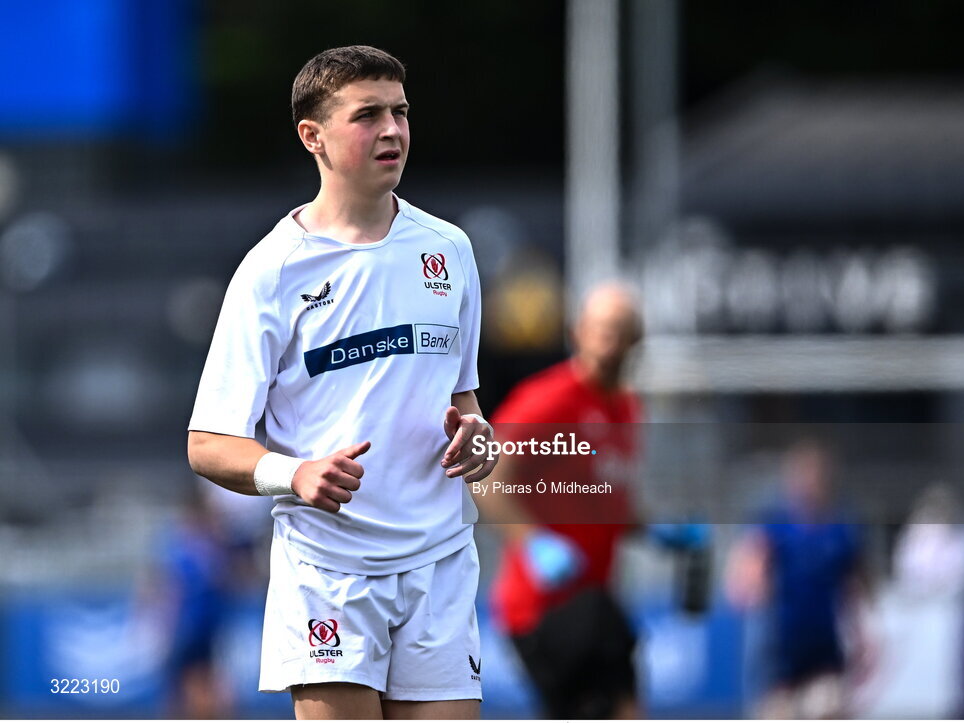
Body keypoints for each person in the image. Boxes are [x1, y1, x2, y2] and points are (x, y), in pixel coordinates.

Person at [187, 45, 497, 720]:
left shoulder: (450, 249)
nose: (392, 129)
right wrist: (294, 474)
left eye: (401, 111)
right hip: (329, 570)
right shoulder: (271, 271)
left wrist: (481, 440)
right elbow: (208, 442)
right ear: (313, 136)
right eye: (369, 115)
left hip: (440, 562)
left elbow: (463, 401)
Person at [477, 282, 704, 718]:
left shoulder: (626, 409)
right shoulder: (552, 400)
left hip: (592, 593)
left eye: (618, 330)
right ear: (577, 332)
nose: (607, 341)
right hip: (543, 605)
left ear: (635, 340)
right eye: (599, 329)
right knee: (618, 701)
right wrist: (532, 542)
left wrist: (656, 530)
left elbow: (606, 501)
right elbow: (487, 476)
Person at [725, 439, 872, 719]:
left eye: (814, 474)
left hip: (824, 651)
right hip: (778, 653)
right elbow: (745, 569)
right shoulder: (774, 524)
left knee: (830, 709)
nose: (808, 482)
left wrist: (865, 637)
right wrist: (750, 584)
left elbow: (856, 585)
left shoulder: (841, 530)